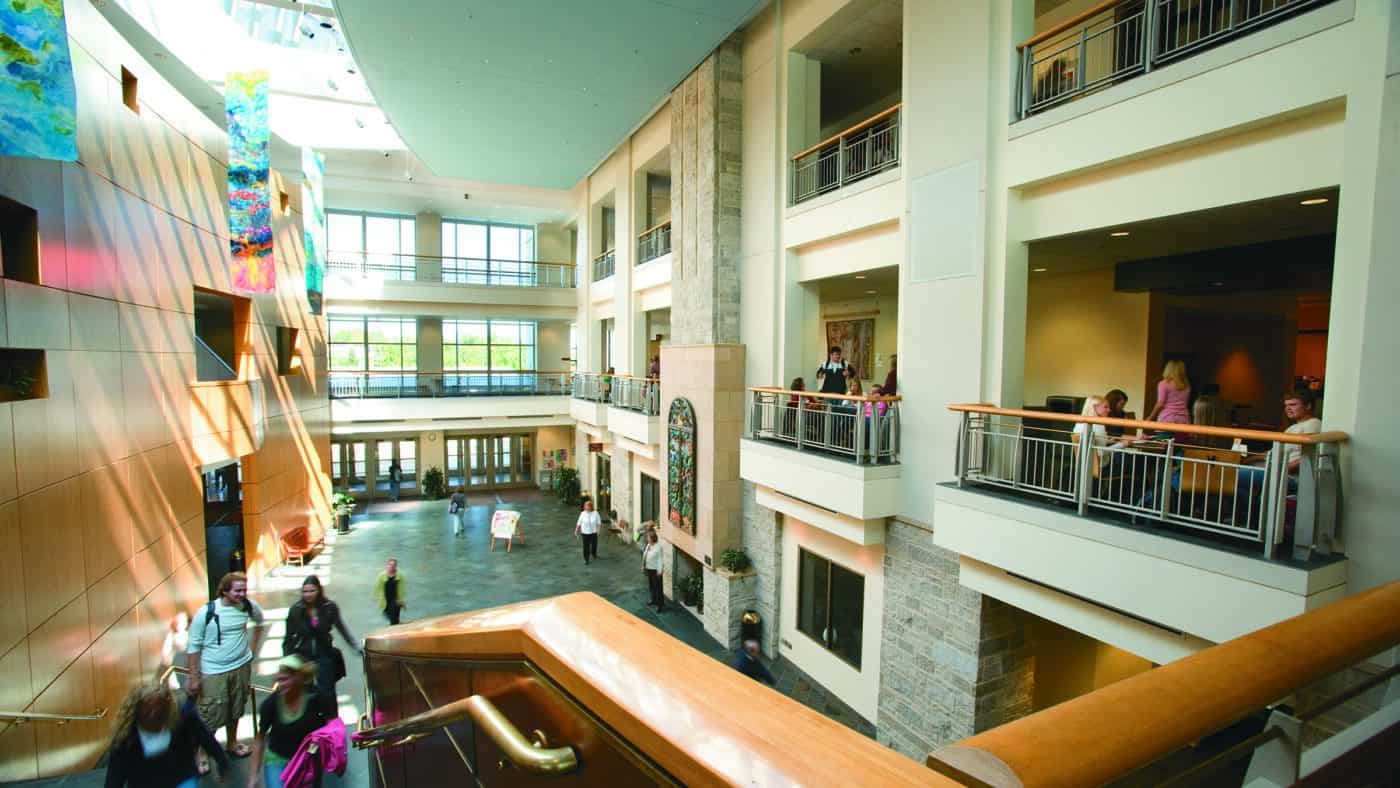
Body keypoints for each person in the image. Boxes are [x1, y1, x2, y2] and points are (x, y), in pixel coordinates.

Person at [187, 571, 266, 772]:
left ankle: (231, 743)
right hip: (214, 671)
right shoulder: (206, 613)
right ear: (224, 591)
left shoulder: (248, 606)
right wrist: (194, 677)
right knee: (210, 713)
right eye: (237, 590)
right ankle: (203, 753)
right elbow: (194, 647)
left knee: (236, 707)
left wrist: (252, 651)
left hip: (240, 667)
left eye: (244, 590)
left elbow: (260, 622)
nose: (242, 594)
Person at [105, 682, 230, 787]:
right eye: (148, 711)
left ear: (166, 708)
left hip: (182, 778)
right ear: (137, 710)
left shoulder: (182, 718)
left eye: (158, 710)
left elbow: (205, 738)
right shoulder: (126, 737)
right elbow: (115, 776)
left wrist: (221, 761)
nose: (153, 715)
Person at [1234, 390, 1322, 526]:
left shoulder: (1313, 424)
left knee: (1232, 475)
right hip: (1274, 470)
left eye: (1293, 404)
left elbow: (1309, 457)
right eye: (1286, 405)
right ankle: (1251, 522)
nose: (1288, 408)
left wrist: (1281, 469)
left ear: (1308, 406)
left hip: (1290, 477)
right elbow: (1272, 452)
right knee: (1234, 481)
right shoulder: (1293, 427)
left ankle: (1254, 523)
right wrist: (1248, 459)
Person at [248, 654, 336, 788]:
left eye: (286, 679)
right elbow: (260, 738)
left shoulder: (317, 698)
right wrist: (253, 776)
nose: (281, 684)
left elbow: (332, 726)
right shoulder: (271, 704)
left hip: (307, 759)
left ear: (299, 678)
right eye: (280, 680)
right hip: (278, 758)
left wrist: (332, 752)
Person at [284, 576, 361, 704]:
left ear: (319, 590)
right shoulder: (296, 610)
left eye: (312, 591)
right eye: (305, 591)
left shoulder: (329, 607)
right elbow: (288, 637)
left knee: (328, 693)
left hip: (324, 654)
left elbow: (342, 629)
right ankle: (312, 722)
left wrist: (356, 646)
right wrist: (287, 661)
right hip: (303, 656)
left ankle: (332, 722)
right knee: (306, 694)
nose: (308, 595)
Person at [1147, 360, 1192, 425]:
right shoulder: (1187, 385)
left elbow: (1160, 404)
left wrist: (1150, 417)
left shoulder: (1164, 384)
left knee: (1163, 435)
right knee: (1181, 435)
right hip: (1184, 419)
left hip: (1167, 418)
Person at [375, 558, 406, 625]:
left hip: (396, 600)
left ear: (396, 566)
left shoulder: (399, 576)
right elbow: (377, 587)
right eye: (390, 564)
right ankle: (395, 627)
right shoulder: (382, 575)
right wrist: (375, 597)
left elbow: (402, 589)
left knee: (395, 618)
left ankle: (395, 629)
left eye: (394, 565)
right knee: (387, 615)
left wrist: (401, 600)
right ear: (387, 565)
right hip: (386, 600)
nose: (392, 566)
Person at [642, 530, 665, 611]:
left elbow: (660, 560)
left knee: (658, 588)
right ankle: (653, 600)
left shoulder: (658, 547)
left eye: (648, 537)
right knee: (651, 586)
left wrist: (660, 571)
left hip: (656, 570)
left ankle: (660, 605)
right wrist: (643, 566)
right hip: (649, 569)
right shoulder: (649, 545)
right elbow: (645, 555)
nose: (647, 538)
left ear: (652, 538)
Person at [575, 499, 601, 565]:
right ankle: (586, 559)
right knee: (586, 546)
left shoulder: (595, 513)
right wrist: (576, 530)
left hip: (593, 532)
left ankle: (593, 553)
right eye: (585, 506)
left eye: (588, 506)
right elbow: (579, 522)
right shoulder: (582, 513)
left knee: (594, 545)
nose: (586, 508)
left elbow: (598, 523)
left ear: (591, 507)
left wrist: (598, 531)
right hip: (585, 532)